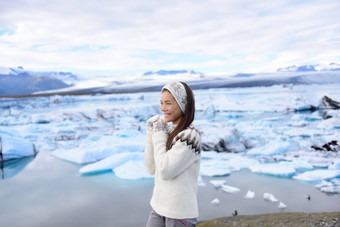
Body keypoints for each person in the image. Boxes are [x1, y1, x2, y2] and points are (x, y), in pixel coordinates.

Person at [144, 81, 201, 227]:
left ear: (183, 104)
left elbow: (165, 170)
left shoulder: (190, 136)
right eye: (161, 103)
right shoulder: (167, 131)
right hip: (157, 208)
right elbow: (151, 168)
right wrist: (151, 133)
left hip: (179, 214)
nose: (163, 108)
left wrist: (158, 135)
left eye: (168, 103)